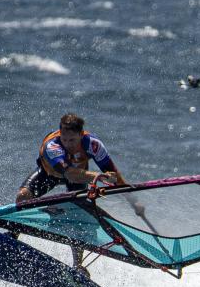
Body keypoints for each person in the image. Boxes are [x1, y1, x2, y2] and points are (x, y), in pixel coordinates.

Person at [17, 113, 125, 276]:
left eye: (72, 140)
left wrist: (133, 202)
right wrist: (98, 176)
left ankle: (78, 266)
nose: (67, 144)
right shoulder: (53, 146)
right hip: (51, 174)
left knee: (78, 216)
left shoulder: (94, 145)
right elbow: (70, 174)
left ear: (81, 135)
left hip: (78, 176)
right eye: (64, 139)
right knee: (23, 197)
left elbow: (115, 176)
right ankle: (13, 235)